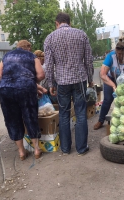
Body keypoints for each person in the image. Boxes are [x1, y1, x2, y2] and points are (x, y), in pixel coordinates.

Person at [44, 12, 94, 155]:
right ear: (69, 22)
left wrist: (51, 84)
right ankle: (82, 148)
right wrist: (90, 78)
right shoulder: (81, 35)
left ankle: (65, 149)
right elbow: (88, 60)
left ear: (57, 23)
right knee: (81, 113)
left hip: (62, 81)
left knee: (64, 114)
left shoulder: (50, 38)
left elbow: (49, 64)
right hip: (79, 80)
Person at [0, 40, 45, 160]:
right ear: (28, 47)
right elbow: (41, 75)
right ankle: (36, 150)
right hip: (25, 89)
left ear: (17, 47)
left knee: (12, 120)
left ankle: (21, 152)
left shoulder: (7, 56)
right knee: (30, 117)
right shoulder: (32, 56)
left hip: (5, 90)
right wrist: (31, 81)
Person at [93, 36, 124, 130]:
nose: (121, 56)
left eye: (123, 53)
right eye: (119, 53)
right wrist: (113, 86)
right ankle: (101, 120)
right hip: (111, 79)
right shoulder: (111, 56)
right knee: (108, 99)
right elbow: (102, 74)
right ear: (116, 51)